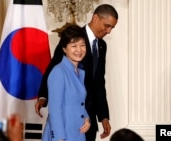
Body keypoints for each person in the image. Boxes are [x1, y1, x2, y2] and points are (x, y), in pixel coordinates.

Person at [36, 4, 119, 141]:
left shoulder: (102, 46)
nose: (108, 31)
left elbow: (99, 83)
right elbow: (53, 70)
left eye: (112, 27)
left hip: (87, 121)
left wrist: (103, 116)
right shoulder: (71, 39)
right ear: (95, 18)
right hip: (65, 126)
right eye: (107, 25)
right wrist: (43, 96)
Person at [42, 25, 91, 141]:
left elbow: (78, 103)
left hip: (77, 132)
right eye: (74, 46)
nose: (79, 50)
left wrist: (87, 119)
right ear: (64, 49)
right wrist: (59, 138)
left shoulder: (79, 72)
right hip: (62, 135)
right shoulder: (58, 72)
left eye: (82, 45)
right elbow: (55, 109)